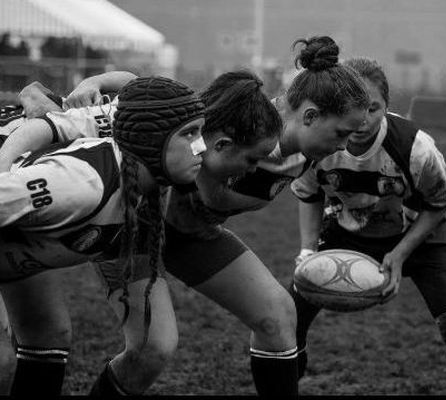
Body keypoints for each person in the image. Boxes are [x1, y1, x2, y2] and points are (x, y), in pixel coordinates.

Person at [2, 35, 370, 396]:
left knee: (277, 315)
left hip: (191, 233)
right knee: (149, 349)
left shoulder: (309, 151)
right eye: (342, 133)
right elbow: (144, 96)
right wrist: (94, 84)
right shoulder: (234, 116)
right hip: (133, 226)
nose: (346, 144)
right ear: (309, 115)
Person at [287, 57, 446, 395]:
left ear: (387, 106)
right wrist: (307, 250)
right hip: (346, 232)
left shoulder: (416, 147)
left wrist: (399, 255)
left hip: (419, 237)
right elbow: (309, 195)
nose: (364, 120)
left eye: (374, 108)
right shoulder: (317, 143)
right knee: (288, 318)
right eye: (356, 108)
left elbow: (438, 203)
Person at [0, 75, 207, 395]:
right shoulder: (83, 184)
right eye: (191, 134)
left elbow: (132, 81)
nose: (201, 146)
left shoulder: (134, 169)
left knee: (47, 336)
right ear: (151, 140)